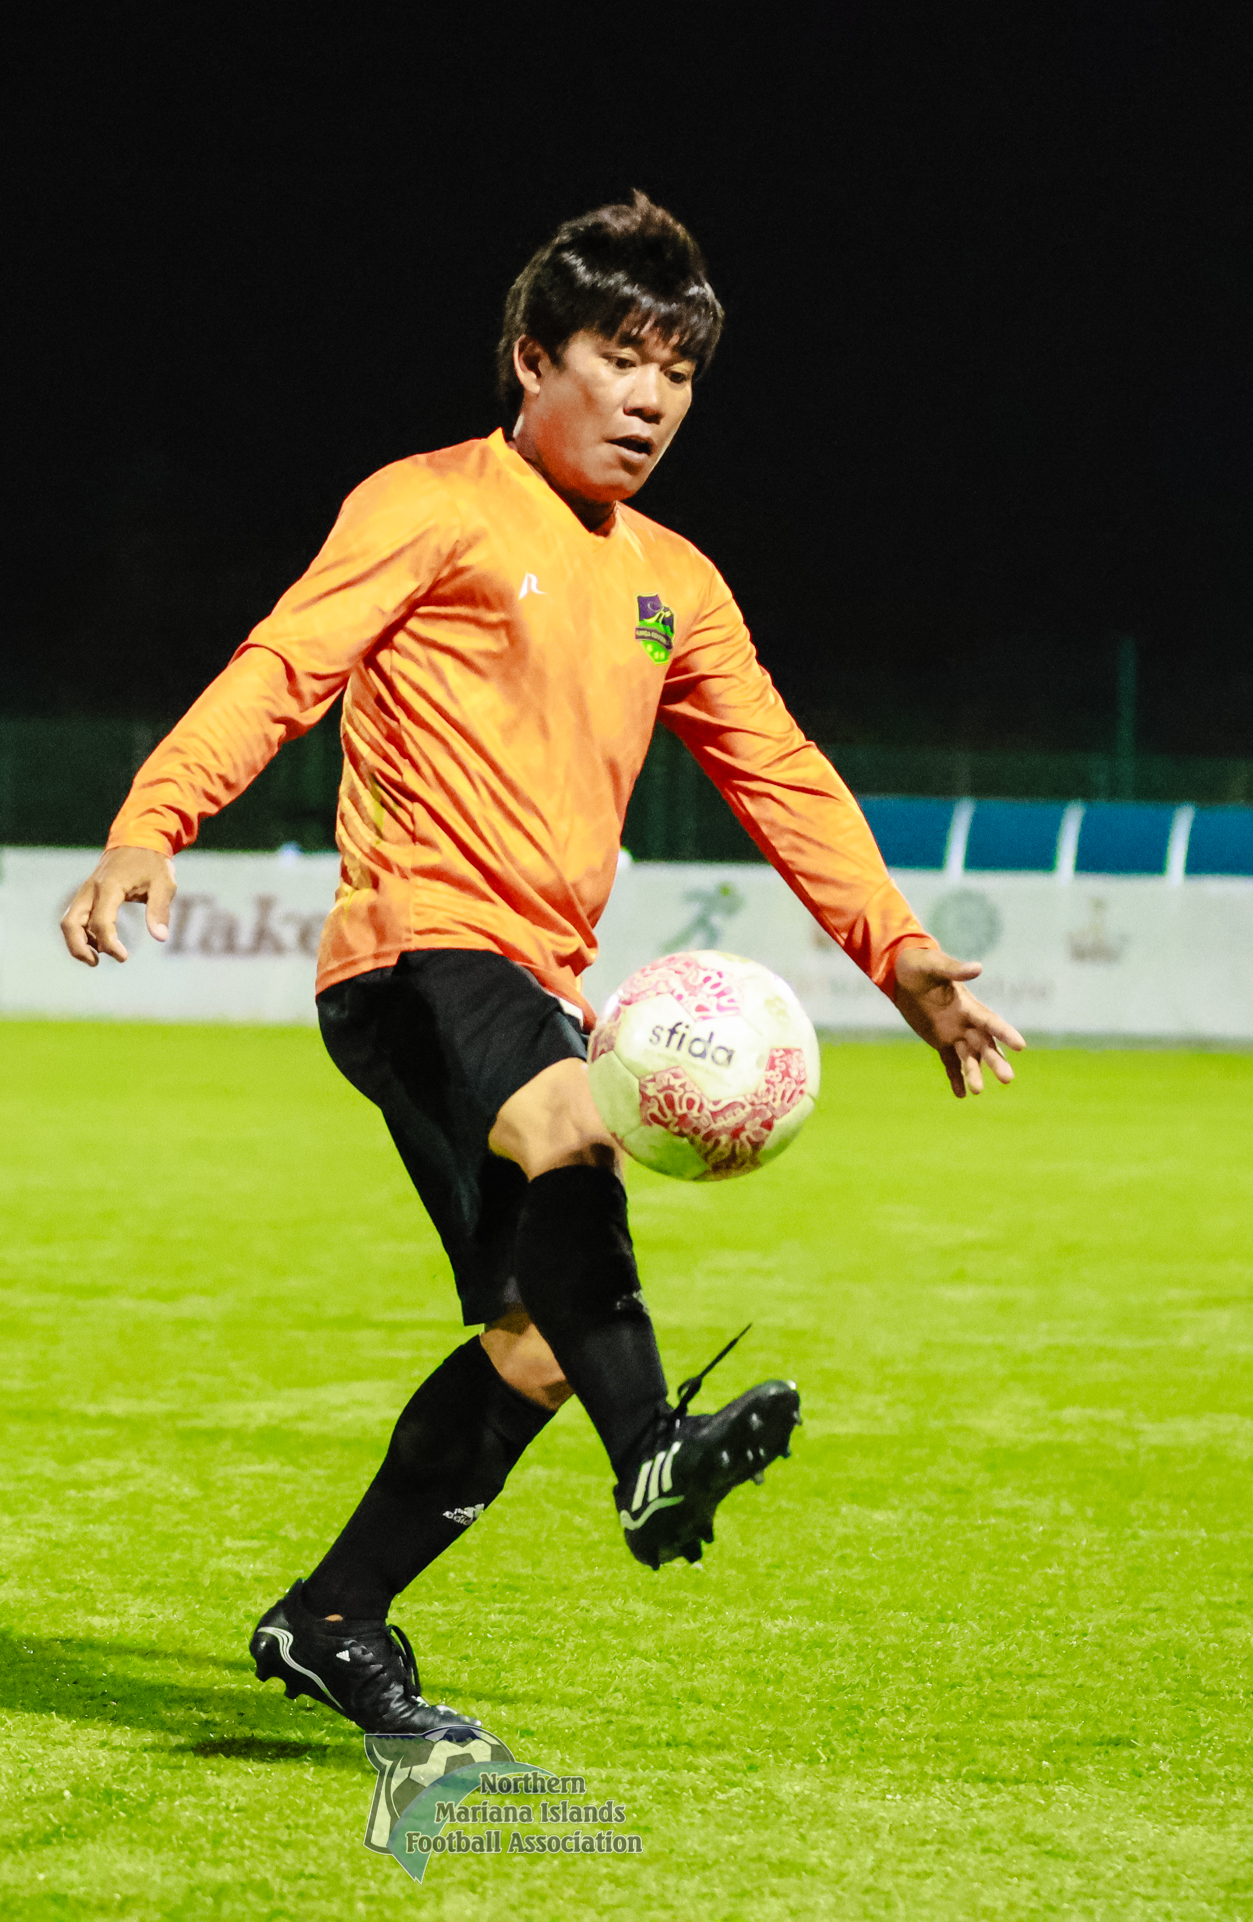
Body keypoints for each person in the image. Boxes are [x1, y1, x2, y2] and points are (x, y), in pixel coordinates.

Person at [61, 192, 1024, 1737]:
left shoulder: (674, 582)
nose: (650, 400)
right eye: (618, 360)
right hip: (414, 947)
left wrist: (898, 954)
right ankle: (654, 1456)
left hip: (535, 981)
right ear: (532, 359)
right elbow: (285, 664)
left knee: (534, 1343)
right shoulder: (430, 503)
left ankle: (332, 1618)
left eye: (678, 374)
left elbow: (776, 771)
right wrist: (151, 821)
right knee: (580, 1128)